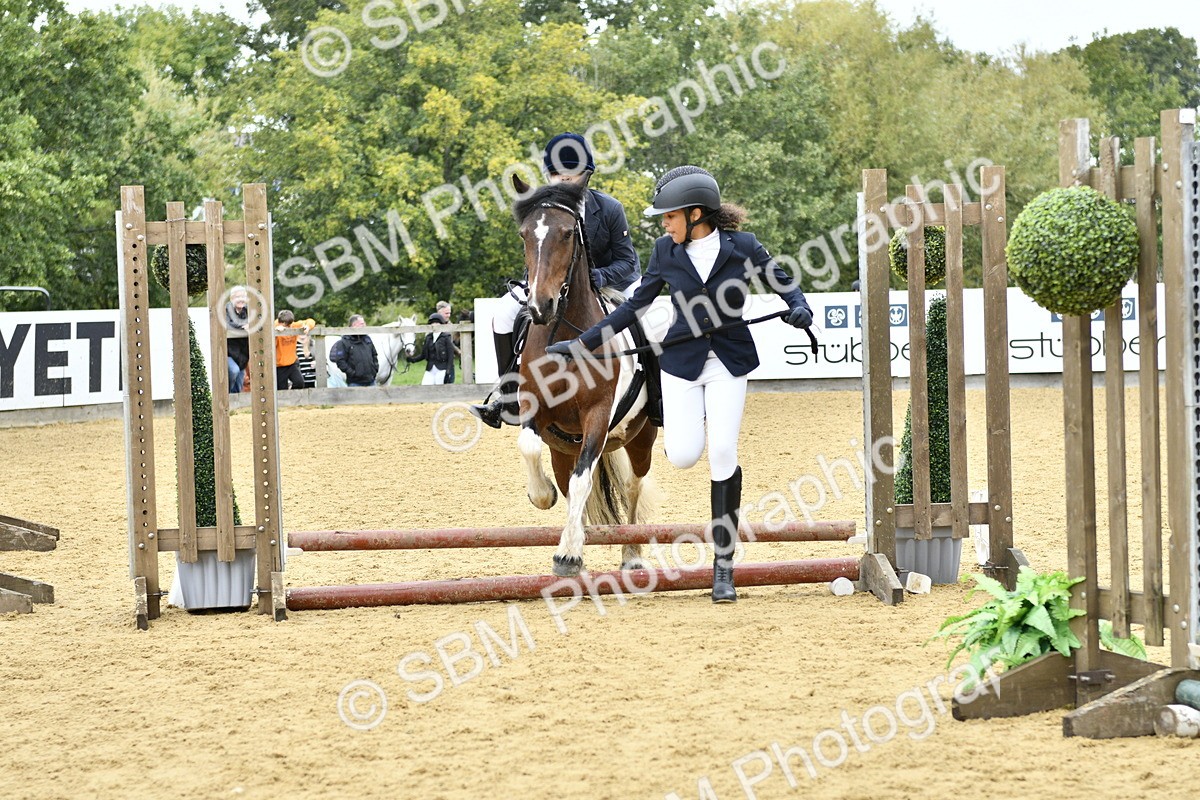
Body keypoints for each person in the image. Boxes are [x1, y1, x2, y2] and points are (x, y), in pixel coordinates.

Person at [547, 166, 814, 604]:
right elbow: (632, 307)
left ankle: (723, 567)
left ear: (695, 214)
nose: (664, 225)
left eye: (669, 217)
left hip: (728, 361)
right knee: (684, 454)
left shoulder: (743, 246)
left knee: (723, 451)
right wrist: (581, 344)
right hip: (681, 362)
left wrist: (799, 306)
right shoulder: (664, 252)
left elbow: (782, 279)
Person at [469, 132, 641, 428]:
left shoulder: (609, 208)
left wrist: (598, 277)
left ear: (587, 174)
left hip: (610, 283)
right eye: (557, 172)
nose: (564, 178)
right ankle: (507, 398)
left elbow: (628, 262)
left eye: (572, 171)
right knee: (503, 314)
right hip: (553, 284)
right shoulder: (540, 211)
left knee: (649, 321)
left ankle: (657, 398)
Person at [329, 314, 379, 387]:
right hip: (355, 383)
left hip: (371, 381)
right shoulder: (344, 342)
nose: (364, 325)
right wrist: (353, 373)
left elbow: (374, 355)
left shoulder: (367, 339)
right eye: (362, 324)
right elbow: (340, 361)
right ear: (354, 325)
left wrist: (375, 370)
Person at [274, 309, 316, 390]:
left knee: (299, 383)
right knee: (282, 389)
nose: (289, 327)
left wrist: (308, 326)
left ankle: (292, 395)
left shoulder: (294, 325)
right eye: (287, 326)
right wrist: (276, 332)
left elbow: (311, 321)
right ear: (281, 323)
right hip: (279, 365)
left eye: (290, 325)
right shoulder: (275, 327)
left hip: (292, 363)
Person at [409, 312, 455, 385]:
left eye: (437, 323)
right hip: (430, 369)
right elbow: (423, 355)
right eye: (433, 323)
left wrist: (448, 371)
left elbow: (450, 355)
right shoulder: (428, 338)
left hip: (442, 368)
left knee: (439, 388)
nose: (435, 325)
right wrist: (413, 360)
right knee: (425, 385)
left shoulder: (446, 337)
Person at [225, 286, 250, 394]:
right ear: (231, 298)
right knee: (233, 371)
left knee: (239, 386)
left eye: (243, 297)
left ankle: (233, 401)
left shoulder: (248, 311)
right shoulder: (225, 311)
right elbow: (228, 325)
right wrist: (244, 326)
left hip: (243, 354)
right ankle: (226, 396)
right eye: (237, 297)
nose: (240, 299)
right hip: (229, 352)